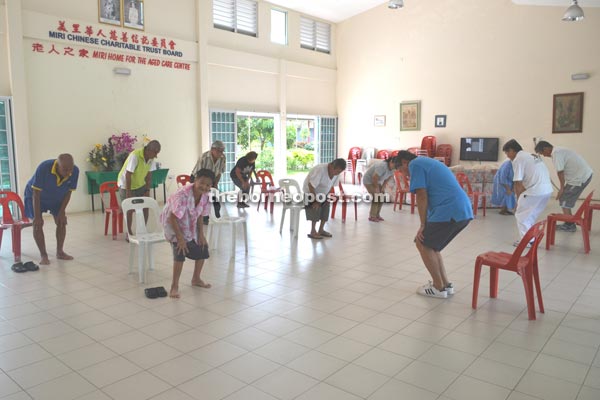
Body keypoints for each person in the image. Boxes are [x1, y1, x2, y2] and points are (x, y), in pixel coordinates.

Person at [396, 150, 473, 299]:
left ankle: (438, 287)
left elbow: (421, 195)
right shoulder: (427, 162)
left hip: (450, 209)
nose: (404, 174)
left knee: (422, 243)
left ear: (405, 162)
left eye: (401, 170)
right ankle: (445, 285)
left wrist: (423, 225)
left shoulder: (415, 164)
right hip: (462, 210)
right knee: (432, 246)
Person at [160, 169, 214, 298]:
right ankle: (174, 286)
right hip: (173, 225)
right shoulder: (182, 195)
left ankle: (196, 279)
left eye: (208, 185)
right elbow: (173, 217)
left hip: (189, 223)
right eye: (202, 182)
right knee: (180, 251)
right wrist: (180, 239)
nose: (204, 187)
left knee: (203, 247)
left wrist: (201, 234)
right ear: (195, 180)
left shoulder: (205, 196)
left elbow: (201, 214)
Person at [24, 154, 79, 265]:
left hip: (56, 196)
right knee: (38, 224)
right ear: (58, 166)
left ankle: (60, 252)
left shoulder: (75, 171)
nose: (68, 173)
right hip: (35, 196)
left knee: (61, 222)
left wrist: (62, 212)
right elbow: (36, 193)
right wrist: (38, 216)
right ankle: (44, 255)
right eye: (65, 169)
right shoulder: (44, 167)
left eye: (70, 169)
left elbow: (69, 192)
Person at [534, 140, 593, 232]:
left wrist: (561, 188)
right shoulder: (559, 150)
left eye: (542, 153)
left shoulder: (556, 153)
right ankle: (569, 222)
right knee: (564, 198)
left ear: (546, 148)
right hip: (583, 175)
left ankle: (570, 225)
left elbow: (560, 171)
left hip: (580, 178)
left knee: (564, 198)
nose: (544, 156)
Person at [502, 139, 552, 245]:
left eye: (507, 153)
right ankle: (531, 239)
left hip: (536, 191)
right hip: (547, 190)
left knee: (521, 215)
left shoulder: (518, 159)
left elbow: (518, 183)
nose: (507, 156)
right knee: (530, 215)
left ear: (512, 150)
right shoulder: (531, 155)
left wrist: (518, 201)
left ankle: (527, 242)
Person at [118, 140, 161, 235]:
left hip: (140, 184)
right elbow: (128, 175)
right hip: (126, 185)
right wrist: (128, 192)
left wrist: (147, 189)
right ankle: (129, 232)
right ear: (149, 150)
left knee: (146, 206)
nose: (156, 156)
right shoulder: (135, 156)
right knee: (129, 209)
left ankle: (142, 230)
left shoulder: (151, 159)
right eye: (155, 153)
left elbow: (149, 175)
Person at [303, 158, 346, 239]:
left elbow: (330, 187)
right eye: (337, 171)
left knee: (326, 207)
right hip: (310, 193)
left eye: (339, 172)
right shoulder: (320, 169)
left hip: (322, 194)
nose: (337, 174)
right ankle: (313, 231)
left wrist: (326, 197)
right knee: (316, 207)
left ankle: (321, 230)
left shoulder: (336, 174)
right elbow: (311, 185)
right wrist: (315, 200)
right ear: (331, 166)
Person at [192, 140, 226, 223]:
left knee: (215, 195)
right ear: (212, 149)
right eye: (218, 151)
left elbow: (220, 172)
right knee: (203, 197)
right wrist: (204, 186)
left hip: (212, 178)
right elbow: (200, 174)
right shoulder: (204, 157)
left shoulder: (222, 157)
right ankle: (204, 217)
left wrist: (215, 184)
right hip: (198, 177)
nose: (220, 153)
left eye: (222, 151)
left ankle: (217, 215)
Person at [363, 156, 401, 222]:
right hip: (368, 181)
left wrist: (383, 187)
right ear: (391, 161)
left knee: (381, 196)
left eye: (396, 167)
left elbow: (387, 178)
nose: (395, 168)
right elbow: (374, 177)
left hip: (377, 181)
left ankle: (377, 215)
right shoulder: (382, 166)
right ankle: (372, 216)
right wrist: (376, 188)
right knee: (376, 196)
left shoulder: (393, 169)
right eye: (395, 165)